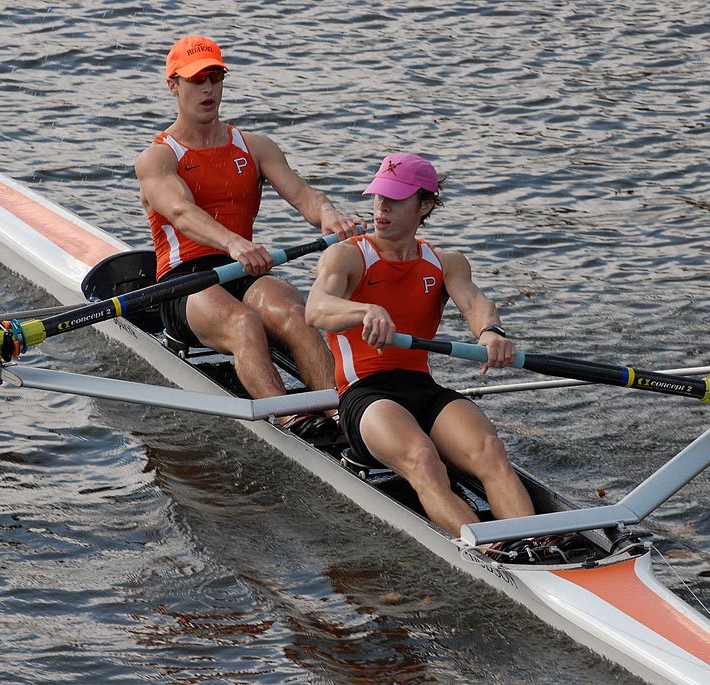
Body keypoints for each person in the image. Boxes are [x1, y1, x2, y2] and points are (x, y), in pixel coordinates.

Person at [134, 35, 361, 440]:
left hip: (243, 269)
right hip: (185, 283)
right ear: (174, 86)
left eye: (215, 77)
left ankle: (343, 414)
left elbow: (302, 194)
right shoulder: (159, 157)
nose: (208, 89)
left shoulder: (254, 146)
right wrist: (234, 244)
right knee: (244, 324)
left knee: (297, 313)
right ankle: (292, 422)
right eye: (196, 79)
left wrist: (329, 216)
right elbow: (182, 213)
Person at [305, 153, 535, 535]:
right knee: (423, 459)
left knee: (491, 453)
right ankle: (487, 550)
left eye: (395, 199)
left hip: (422, 389)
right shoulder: (347, 256)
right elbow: (316, 309)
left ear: (424, 205)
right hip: (365, 395)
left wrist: (491, 333)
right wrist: (366, 311)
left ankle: (535, 544)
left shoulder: (445, 262)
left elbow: (475, 302)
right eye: (379, 196)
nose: (382, 208)